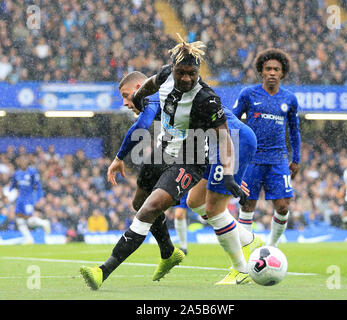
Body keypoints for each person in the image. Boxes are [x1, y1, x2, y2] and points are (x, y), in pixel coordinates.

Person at [80, 34, 246, 290]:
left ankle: (103, 271)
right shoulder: (165, 75)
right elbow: (148, 84)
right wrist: (139, 98)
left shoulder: (208, 99)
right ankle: (169, 253)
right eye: (182, 73)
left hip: (190, 161)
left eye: (192, 73)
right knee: (138, 203)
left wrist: (229, 174)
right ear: (174, 69)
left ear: (198, 71)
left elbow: (224, 138)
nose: (187, 78)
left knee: (148, 208)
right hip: (163, 151)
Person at [106, 70, 182, 281]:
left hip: (199, 149)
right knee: (140, 203)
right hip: (174, 150)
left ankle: (244, 258)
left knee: (205, 205)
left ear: (139, 88)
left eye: (125, 95)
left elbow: (141, 126)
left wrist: (119, 157)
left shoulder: (152, 96)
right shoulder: (161, 96)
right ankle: (168, 252)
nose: (124, 102)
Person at [186, 104, 263, 285]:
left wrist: (229, 172)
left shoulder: (171, 97)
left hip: (233, 141)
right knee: (195, 200)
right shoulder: (175, 98)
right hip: (216, 146)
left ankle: (241, 270)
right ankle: (248, 239)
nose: (126, 103)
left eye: (126, 96)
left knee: (214, 210)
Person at [232, 48, 301, 247]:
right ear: (261, 71)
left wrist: (296, 159)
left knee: (282, 206)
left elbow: (294, 131)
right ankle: (246, 250)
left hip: (278, 159)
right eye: (268, 68)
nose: (272, 72)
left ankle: (271, 247)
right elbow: (232, 120)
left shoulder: (289, 99)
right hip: (252, 159)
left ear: (282, 73)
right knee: (247, 205)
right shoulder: (248, 94)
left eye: (276, 69)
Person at [9, 155, 50, 244]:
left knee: (28, 219)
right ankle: (29, 238)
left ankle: (43, 223)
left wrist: (40, 197)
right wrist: (9, 193)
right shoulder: (17, 174)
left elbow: (38, 185)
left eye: (24, 161)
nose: (23, 162)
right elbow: (13, 185)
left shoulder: (32, 172)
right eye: (21, 161)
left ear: (27, 162)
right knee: (19, 219)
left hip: (28, 199)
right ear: (19, 162)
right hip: (20, 199)